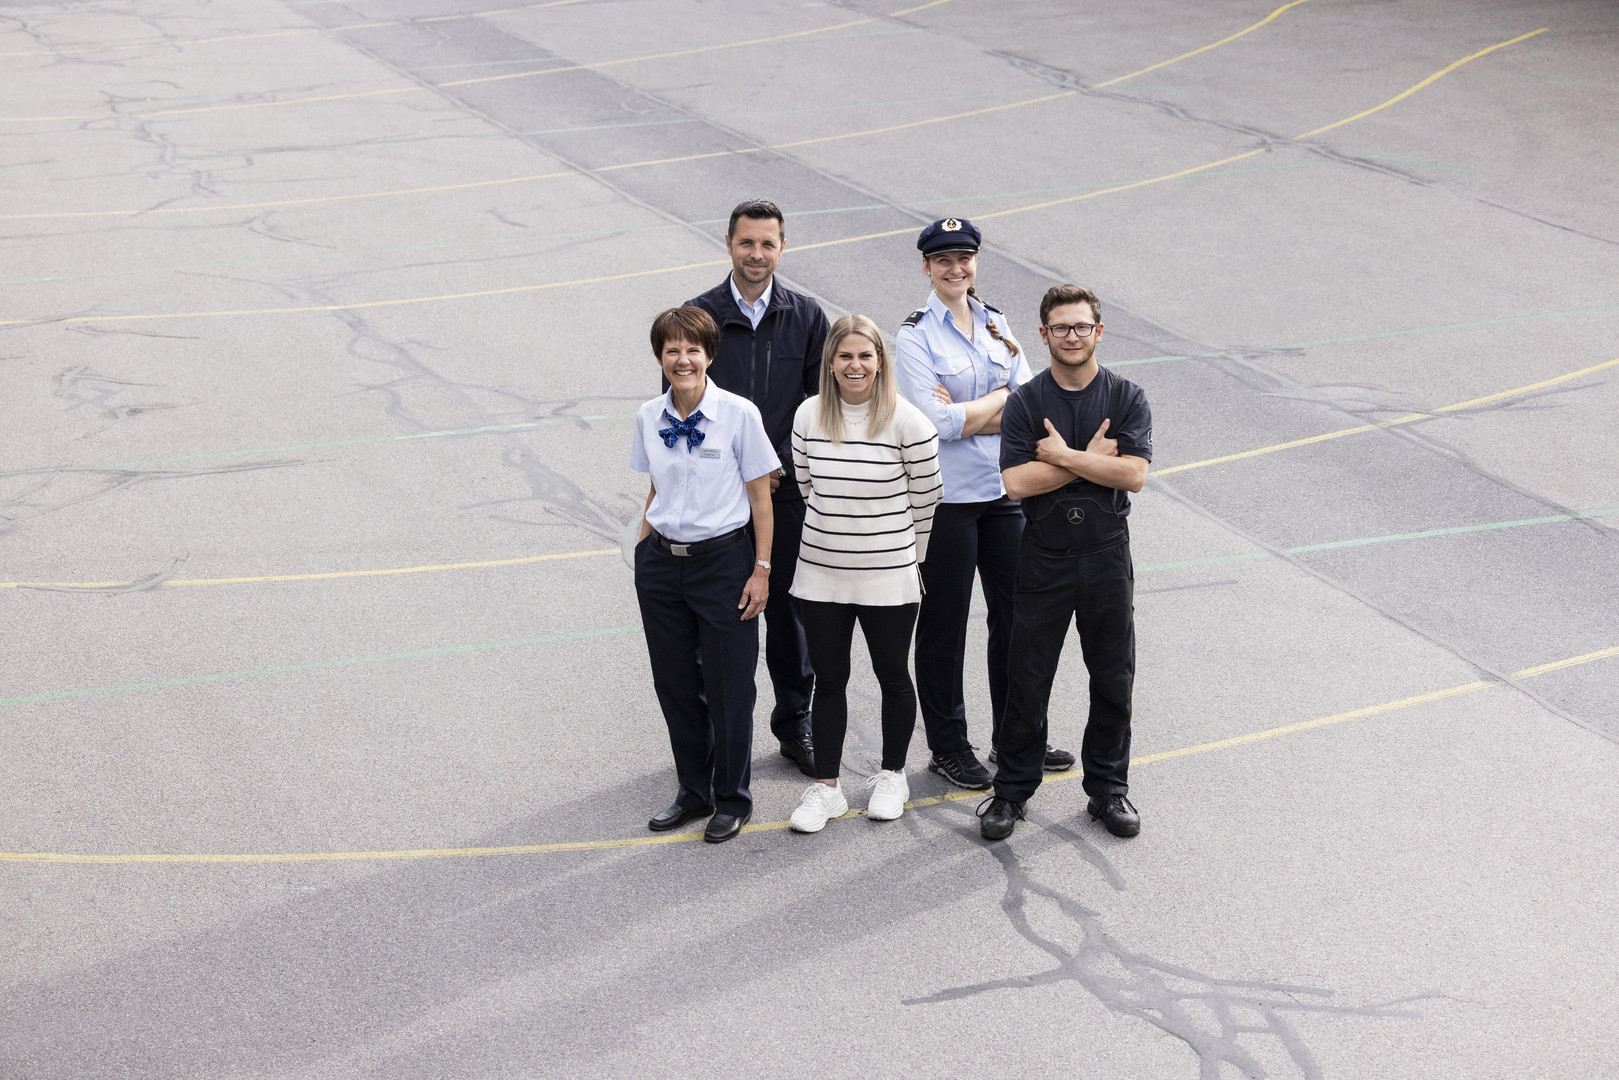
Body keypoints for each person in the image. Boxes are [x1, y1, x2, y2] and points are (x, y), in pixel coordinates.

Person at [894, 216, 1075, 792]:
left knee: (1018, 620)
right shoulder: (915, 335)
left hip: (1004, 493)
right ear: (927, 267)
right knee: (944, 626)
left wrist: (971, 411)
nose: (956, 269)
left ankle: (1013, 735)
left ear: (975, 262)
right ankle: (948, 746)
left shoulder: (997, 322)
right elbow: (934, 423)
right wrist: (997, 402)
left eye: (964, 258)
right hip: (946, 500)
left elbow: (1030, 406)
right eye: (943, 260)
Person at [978, 284, 1152, 842]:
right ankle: (1011, 792)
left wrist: (1061, 457)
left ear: (1098, 332)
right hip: (1043, 557)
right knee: (1027, 679)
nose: (1071, 336)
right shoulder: (1026, 402)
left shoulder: (1126, 396)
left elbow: (1134, 475)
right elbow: (1015, 483)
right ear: (1043, 334)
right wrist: (1089, 462)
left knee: (1113, 677)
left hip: (1106, 556)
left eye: (1081, 327)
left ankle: (1107, 789)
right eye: (1061, 328)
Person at [686, 199, 831, 778]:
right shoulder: (699, 316)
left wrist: (778, 465)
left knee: (791, 617)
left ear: (782, 248)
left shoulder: (807, 316)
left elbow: (822, 407)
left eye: (768, 243)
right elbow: (683, 408)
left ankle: (796, 723)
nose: (756, 254)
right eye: (746, 242)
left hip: (786, 492)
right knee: (719, 617)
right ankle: (717, 734)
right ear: (728, 243)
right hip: (720, 498)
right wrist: (739, 470)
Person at [785, 315, 942, 833]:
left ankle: (893, 777)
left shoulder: (909, 422)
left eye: (865, 356)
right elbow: (807, 486)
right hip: (821, 574)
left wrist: (907, 556)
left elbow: (927, 498)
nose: (855, 365)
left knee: (893, 675)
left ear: (880, 361)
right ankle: (827, 789)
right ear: (830, 362)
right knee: (829, 681)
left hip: (889, 576)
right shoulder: (808, 415)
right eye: (845, 356)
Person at [632, 306, 780, 844]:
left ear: (709, 355)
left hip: (723, 564)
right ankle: (693, 791)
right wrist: (643, 549)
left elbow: (761, 499)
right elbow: (655, 486)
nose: (683, 359)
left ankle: (732, 798)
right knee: (674, 684)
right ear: (660, 357)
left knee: (729, 686)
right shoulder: (649, 416)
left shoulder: (739, 415)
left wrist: (761, 570)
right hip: (661, 564)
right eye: (672, 350)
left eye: (692, 349)